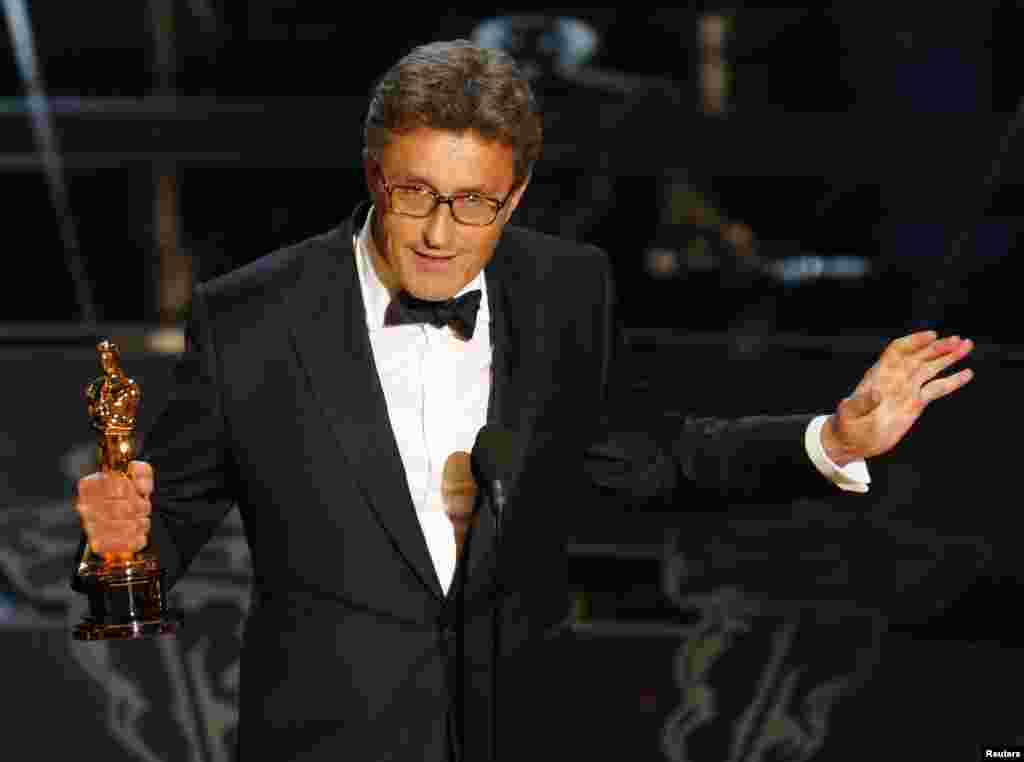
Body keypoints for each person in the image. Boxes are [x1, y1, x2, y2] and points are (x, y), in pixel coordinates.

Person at [71, 39, 974, 762]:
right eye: (415, 193)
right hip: (330, 737)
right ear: (375, 174)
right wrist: (121, 544)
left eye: (472, 204)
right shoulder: (252, 314)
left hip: (524, 728)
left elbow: (643, 455)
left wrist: (831, 437)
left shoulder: (567, 287)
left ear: (518, 196)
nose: (436, 232)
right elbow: (174, 512)